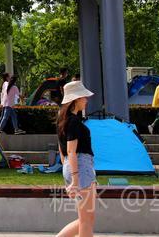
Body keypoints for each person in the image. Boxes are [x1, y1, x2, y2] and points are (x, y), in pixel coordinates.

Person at [56, 81, 97, 237]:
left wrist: (68, 171)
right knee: (86, 220)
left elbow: (62, 150)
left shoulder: (63, 120)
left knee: (86, 219)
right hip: (80, 168)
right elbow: (70, 150)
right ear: (76, 99)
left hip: (74, 167)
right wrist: (75, 179)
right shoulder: (73, 121)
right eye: (84, 97)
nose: (86, 100)